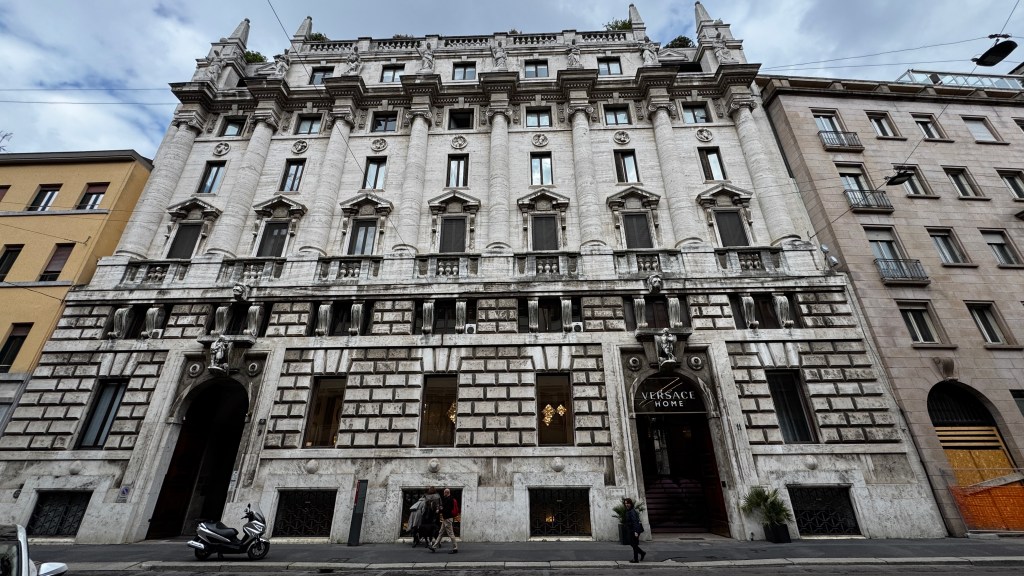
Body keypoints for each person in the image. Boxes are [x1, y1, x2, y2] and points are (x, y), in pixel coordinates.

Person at [428, 487, 459, 554]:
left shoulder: (449, 499)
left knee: (450, 533)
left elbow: (447, 510)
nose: (443, 494)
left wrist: (440, 510)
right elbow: (445, 508)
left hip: (448, 519)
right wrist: (441, 509)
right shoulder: (449, 499)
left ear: (446, 493)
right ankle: (434, 547)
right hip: (446, 519)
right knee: (441, 532)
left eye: (444, 492)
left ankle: (455, 548)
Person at [624, 498, 646, 563]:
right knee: (633, 544)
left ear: (631, 503)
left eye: (628, 503)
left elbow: (635, 522)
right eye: (625, 503)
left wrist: (636, 532)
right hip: (631, 530)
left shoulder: (632, 511)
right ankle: (642, 553)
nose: (626, 505)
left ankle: (636, 559)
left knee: (634, 544)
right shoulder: (628, 511)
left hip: (634, 530)